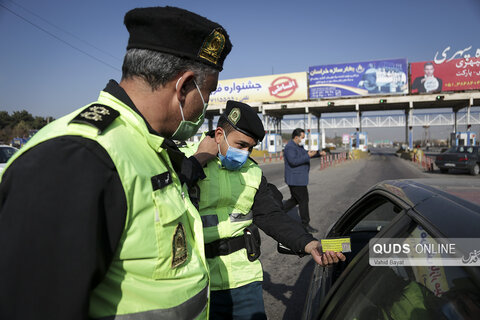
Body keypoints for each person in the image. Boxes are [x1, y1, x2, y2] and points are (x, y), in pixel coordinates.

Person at [0, 6, 232, 320]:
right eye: (209, 93)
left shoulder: (144, 144)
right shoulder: (79, 158)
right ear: (184, 86)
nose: (206, 106)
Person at [181, 101, 345, 320]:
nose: (245, 153)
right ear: (219, 134)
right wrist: (199, 160)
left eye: (250, 147)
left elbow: (271, 216)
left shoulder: (252, 171)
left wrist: (309, 243)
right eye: (240, 145)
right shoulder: (183, 160)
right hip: (194, 280)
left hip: (243, 281)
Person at [283, 128, 321, 233]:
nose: (303, 139)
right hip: (295, 180)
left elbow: (305, 154)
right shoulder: (290, 147)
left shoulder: (299, 146)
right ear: (296, 137)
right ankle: (305, 224)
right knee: (304, 201)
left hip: (299, 179)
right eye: (302, 137)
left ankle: (279, 212)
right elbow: (294, 161)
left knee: (295, 200)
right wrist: (308, 155)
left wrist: (318, 154)